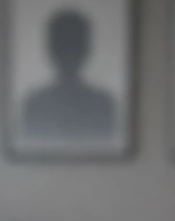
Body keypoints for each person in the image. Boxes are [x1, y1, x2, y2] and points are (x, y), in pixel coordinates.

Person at [22, 10, 115, 140]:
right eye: (63, 47)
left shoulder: (102, 104)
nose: (68, 55)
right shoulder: (35, 104)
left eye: (73, 46)